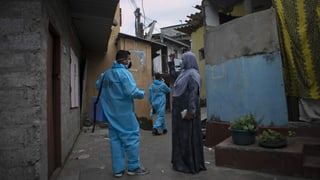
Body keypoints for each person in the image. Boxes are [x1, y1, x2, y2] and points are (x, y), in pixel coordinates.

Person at [96, 50, 149, 177]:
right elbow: (131, 92)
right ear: (125, 60)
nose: (130, 61)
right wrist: (142, 93)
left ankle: (118, 170)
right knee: (131, 138)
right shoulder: (124, 74)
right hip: (124, 113)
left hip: (111, 114)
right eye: (129, 59)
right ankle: (133, 167)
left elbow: (98, 86)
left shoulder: (106, 74)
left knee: (115, 140)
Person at [168, 51, 206, 174]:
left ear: (189, 61)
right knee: (180, 137)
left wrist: (191, 111)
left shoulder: (193, 75)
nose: (182, 62)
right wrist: (171, 61)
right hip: (179, 111)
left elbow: (193, 95)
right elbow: (173, 74)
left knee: (187, 138)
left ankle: (189, 164)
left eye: (183, 60)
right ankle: (180, 162)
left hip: (187, 112)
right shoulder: (184, 73)